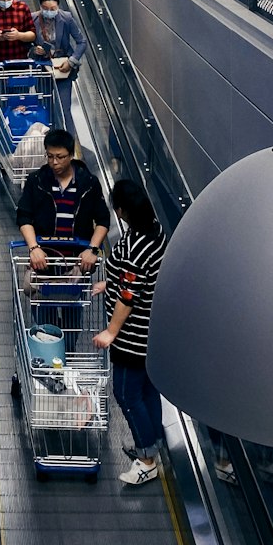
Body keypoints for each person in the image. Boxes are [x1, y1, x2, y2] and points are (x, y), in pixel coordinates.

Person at [92, 179, 168, 487]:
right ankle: (152, 443)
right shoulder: (156, 233)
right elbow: (140, 280)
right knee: (148, 390)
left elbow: (129, 295)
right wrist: (109, 283)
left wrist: (111, 332)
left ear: (122, 211)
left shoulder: (135, 247)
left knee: (125, 393)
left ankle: (147, 460)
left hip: (132, 337)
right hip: (152, 331)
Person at [17, 129, 109, 274]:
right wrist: (34, 248)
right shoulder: (36, 181)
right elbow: (24, 216)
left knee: (76, 293)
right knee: (34, 291)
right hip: (44, 259)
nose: (54, 162)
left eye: (60, 157)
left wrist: (93, 250)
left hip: (78, 261)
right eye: (50, 156)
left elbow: (103, 220)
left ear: (71, 155)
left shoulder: (89, 183)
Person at [31, 0, 87, 131]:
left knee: (64, 108)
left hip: (63, 67)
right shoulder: (33, 19)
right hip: (43, 67)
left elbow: (82, 42)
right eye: (45, 8)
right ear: (40, 7)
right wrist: (34, 50)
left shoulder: (66, 18)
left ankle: (68, 142)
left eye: (53, 9)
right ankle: (48, 139)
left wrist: (71, 61)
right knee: (45, 105)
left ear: (58, 7)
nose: (49, 11)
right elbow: (27, 42)